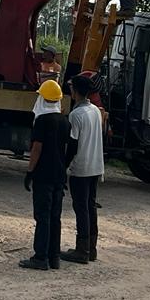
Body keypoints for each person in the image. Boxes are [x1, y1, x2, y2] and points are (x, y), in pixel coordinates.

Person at [20, 79, 70, 271]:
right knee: (55, 216)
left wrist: (29, 172)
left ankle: (40, 257)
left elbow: (37, 149)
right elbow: (65, 148)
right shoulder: (64, 121)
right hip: (58, 175)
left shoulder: (41, 121)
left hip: (43, 175)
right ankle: (54, 256)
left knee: (42, 216)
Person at [60, 74, 105, 264]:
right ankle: (91, 248)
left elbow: (73, 144)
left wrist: (64, 166)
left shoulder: (76, 115)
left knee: (81, 208)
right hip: (96, 165)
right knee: (90, 206)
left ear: (75, 91)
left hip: (82, 167)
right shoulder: (95, 110)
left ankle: (82, 250)